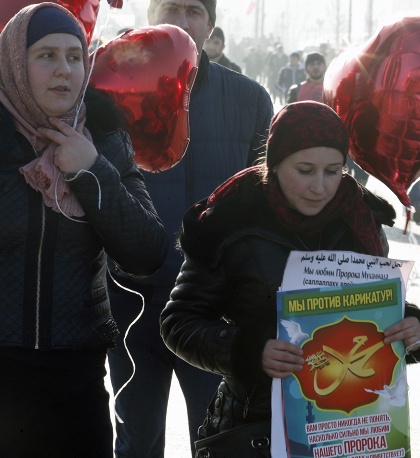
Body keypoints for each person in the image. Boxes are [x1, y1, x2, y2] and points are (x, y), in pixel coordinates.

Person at [159, 101, 420, 452]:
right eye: (305, 170)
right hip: (255, 424)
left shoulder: (360, 220)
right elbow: (179, 322)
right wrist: (250, 351)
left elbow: (374, 307)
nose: (320, 187)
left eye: (333, 171)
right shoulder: (231, 220)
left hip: (347, 429)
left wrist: (410, 328)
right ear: (274, 165)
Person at [107, 0, 274, 456]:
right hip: (131, 302)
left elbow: (266, 208)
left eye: (194, 10)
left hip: (213, 310)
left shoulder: (250, 100)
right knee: (137, 437)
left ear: (211, 23)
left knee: (217, 436)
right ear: (149, 17)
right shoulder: (112, 93)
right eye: (170, 7)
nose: (181, 22)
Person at [0, 3, 167, 456]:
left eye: (74, 57)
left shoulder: (106, 139)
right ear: (15, 61)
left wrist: (90, 169)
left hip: (77, 379)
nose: (63, 71)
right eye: (46, 56)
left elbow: (147, 251)